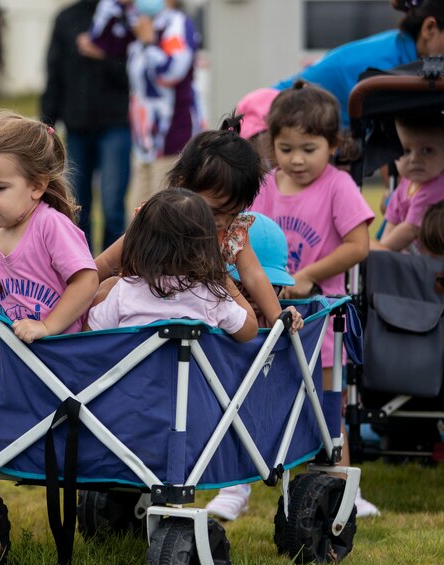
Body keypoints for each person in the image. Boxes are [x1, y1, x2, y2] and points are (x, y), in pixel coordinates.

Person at [249, 81, 378, 517]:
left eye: (309, 148)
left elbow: (358, 244)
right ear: (271, 145)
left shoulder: (338, 186)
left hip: (322, 323)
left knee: (327, 410)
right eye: (286, 149)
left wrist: (307, 276)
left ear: (333, 145)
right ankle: (238, 488)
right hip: (269, 323)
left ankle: (345, 492)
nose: (297, 159)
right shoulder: (264, 185)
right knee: (256, 403)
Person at [93, 118, 303, 335]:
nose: (222, 221)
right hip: (142, 311)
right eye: (214, 212)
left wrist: (278, 317)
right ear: (183, 185)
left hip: (198, 321)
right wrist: (72, 293)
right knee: (106, 288)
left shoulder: (233, 231)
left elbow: (254, 275)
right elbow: (108, 261)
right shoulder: (158, 218)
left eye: (233, 213)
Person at [0, 111, 99, 343]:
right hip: (19, 356)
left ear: (37, 186)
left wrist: (47, 326)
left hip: (61, 353)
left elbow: (87, 281)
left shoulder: (50, 225)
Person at [205, 212, 295, 521]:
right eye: (241, 289)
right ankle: (235, 489)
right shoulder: (216, 311)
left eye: (273, 289)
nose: (254, 300)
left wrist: (287, 315)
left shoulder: (274, 315)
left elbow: (285, 317)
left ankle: (235, 488)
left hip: (266, 405)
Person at [86, 188, 258, 342]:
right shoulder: (212, 295)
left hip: (135, 378)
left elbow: (88, 338)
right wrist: (224, 280)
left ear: (141, 244)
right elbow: (250, 330)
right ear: (205, 248)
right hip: (195, 377)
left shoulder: (124, 292)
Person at [276, 0, 444, 129]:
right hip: (273, 122)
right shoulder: (384, 67)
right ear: (429, 28)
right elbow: (390, 148)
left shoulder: (407, 54)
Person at [41, 0, 132, 253]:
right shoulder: (67, 18)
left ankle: (113, 275)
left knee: (113, 205)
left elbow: (135, 75)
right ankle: (82, 269)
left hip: (116, 125)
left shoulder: (124, 18)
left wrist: (104, 56)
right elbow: (54, 74)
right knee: (77, 206)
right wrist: (44, 125)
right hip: (77, 127)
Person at [120, 0, 202, 205]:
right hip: (144, 142)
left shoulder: (176, 24)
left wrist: (149, 43)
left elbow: (172, 71)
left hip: (172, 136)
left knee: (165, 212)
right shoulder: (142, 24)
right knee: (137, 215)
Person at [374, 114, 444, 254]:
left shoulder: (440, 187)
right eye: (406, 151)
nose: (415, 159)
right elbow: (392, 218)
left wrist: (379, 251)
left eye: (427, 150)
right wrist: (383, 247)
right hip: (421, 255)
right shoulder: (408, 182)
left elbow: (410, 230)